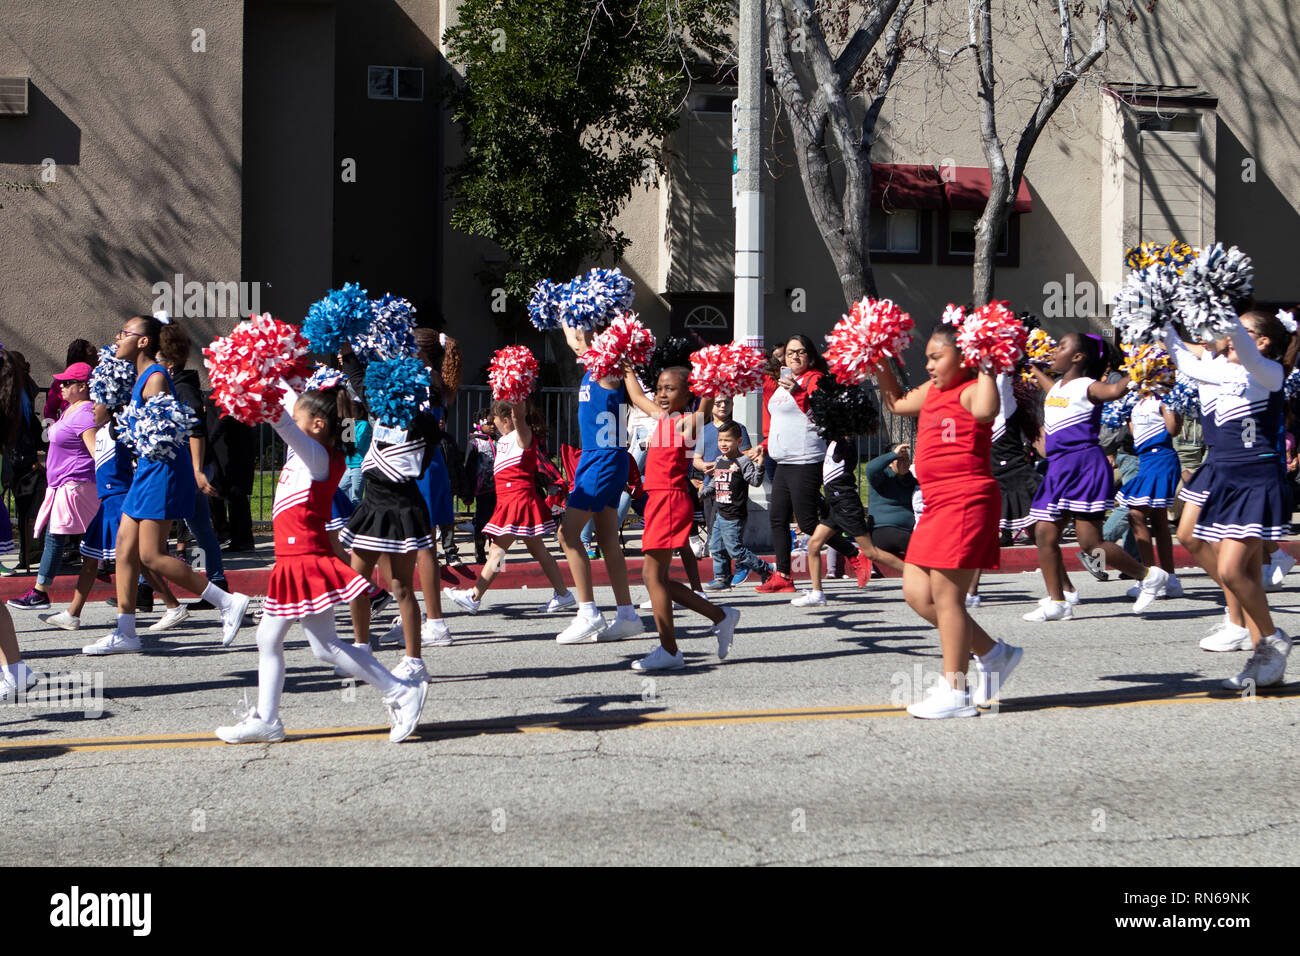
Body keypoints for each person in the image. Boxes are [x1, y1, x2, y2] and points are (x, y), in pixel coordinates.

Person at [215, 380, 429, 743]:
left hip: (306, 557)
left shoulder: (318, 457)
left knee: (320, 645)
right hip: (290, 559)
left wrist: (266, 400)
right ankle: (268, 720)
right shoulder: (305, 453)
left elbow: (283, 421)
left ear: (317, 426)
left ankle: (399, 690)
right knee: (294, 641)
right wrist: (267, 368)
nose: (290, 426)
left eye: (300, 420)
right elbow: (288, 404)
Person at [874, 323, 1022, 719]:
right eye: (927, 357)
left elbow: (988, 410)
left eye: (936, 356)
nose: (929, 364)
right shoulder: (931, 391)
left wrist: (989, 360)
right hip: (936, 502)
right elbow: (896, 403)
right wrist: (878, 359)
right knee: (917, 593)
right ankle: (993, 653)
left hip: (966, 499)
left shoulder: (974, 388)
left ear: (965, 357)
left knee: (946, 596)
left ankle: (955, 692)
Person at [81, 315, 252, 655]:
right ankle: (126, 632)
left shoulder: (156, 378)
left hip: (161, 472)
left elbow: (164, 433)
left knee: (151, 555)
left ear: (143, 341)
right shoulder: (141, 376)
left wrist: (128, 430)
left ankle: (227, 602)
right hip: (146, 471)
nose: (118, 337)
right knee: (125, 549)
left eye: (125, 332)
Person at [1167, 311, 1293, 688]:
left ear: (1262, 341)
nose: (1224, 334)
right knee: (1245, 572)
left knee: (1232, 571)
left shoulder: (1267, 371)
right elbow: (1187, 360)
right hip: (1224, 473)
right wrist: (1160, 321)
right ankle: (1262, 659)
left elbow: (1246, 357)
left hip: (1255, 478)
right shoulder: (1223, 370)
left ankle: (1273, 640)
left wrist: (1219, 307)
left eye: (1238, 329)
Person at [1022, 333, 1170, 622]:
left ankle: (1148, 575)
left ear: (1078, 357)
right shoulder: (1058, 387)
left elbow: (1115, 391)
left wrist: (1139, 368)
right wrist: (1028, 362)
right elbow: (1049, 385)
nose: (1055, 350)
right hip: (1058, 468)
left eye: (1062, 347)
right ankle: (1058, 602)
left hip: (1083, 467)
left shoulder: (1088, 386)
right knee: (1044, 532)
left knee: (1090, 544)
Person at [622, 366, 739, 671]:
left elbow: (706, 405)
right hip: (657, 500)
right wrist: (625, 364)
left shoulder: (689, 423)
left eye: (670, 389)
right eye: (659, 387)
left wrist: (713, 380)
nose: (661, 394)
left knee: (652, 577)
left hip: (671, 500)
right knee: (654, 578)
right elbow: (635, 395)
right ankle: (719, 617)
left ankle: (670, 650)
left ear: (687, 394)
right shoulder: (662, 418)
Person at [338, 342, 443, 681]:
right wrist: (347, 350)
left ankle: (415, 661)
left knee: (400, 586)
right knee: (356, 581)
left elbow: (437, 406)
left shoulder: (425, 422)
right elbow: (358, 379)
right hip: (373, 505)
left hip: (401, 507)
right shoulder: (378, 408)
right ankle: (361, 648)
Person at [553, 324, 644, 644]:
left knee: (567, 533)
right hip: (601, 459)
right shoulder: (597, 366)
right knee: (606, 537)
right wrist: (565, 311)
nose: (577, 342)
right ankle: (628, 615)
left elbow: (640, 399)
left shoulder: (611, 370)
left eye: (583, 336)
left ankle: (588, 612)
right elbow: (572, 338)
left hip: (603, 460)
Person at [753, 334, 862, 592]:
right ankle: (783, 576)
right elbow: (780, 421)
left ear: (810, 356)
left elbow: (819, 415)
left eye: (800, 352)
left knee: (808, 522)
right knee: (778, 518)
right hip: (783, 459)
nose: (794, 357)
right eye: (789, 353)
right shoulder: (782, 383)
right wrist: (765, 446)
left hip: (805, 459)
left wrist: (798, 392)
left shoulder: (815, 380)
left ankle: (855, 555)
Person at [445, 400, 575, 615]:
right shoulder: (503, 439)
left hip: (518, 500)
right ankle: (563, 594)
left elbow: (519, 418)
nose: (492, 423)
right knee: (537, 550)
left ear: (507, 419)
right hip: (507, 500)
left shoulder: (522, 435)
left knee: (498, 549)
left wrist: (516, 392)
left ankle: (474, 597)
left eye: (495, 419)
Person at [7, 362, 100, 611]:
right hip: (64, 485)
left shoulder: (84, 413)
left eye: (67, 383)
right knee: (91, 539)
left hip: (76, 485)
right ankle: (144, 583)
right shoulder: (71, 409)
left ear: (82, 386)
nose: (62, 386)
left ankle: (40, 592)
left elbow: (95, 452)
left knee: (56, 537)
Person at [158, 323, 230, 614]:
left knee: (158, 527)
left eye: (159, 360)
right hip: (188, 469)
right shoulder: (176, 385)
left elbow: (195, 429)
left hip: (189, 470)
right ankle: (217, 584)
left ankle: (143, 587)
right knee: (200, 528)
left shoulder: (183, 388)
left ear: (170, 363)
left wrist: (198, 471)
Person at [1114, 391, 1185, 598]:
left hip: (1161, 458)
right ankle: (1170, 580)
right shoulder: (1134, 400)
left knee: (1135, 515)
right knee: (1159, 520)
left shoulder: (1163, 398)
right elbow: (1135, 434)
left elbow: (1172, 429)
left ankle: (1149, 579)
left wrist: (1168, 403)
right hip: (1145, 460)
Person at [693, 396, 753, 588]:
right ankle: (722, 576)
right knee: (715, 534)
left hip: (732, 489)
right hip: (712, 487)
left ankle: (743, 566)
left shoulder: (738, 428)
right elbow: (696, 459)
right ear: (711, 406)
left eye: (727, 402)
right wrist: (704, 467)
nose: (723, 406)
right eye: (718, 403)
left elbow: (747, 455)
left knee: (732, 535)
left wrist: (730, 464)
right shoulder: (705, 430)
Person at [704, 420, 772, 590]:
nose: (723, 444)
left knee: (735, 549)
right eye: (720, 440)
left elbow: (755, 481)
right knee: (715, 546)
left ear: (739, 441)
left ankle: (766, 570)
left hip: (734, 514)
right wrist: (704, 491)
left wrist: (761, 465)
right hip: (720, 511)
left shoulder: (743, 461)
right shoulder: (719, 460)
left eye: (728, 440)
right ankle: (722, 578)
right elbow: (715, 481)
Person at [865, 443, 917, 568]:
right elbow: (870, 468)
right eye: (899, 459)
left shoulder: (911, 481)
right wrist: (893, 454)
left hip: (908, 529)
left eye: (906, 459)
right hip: (882, 531)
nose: (904, 463)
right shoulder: (881, 478)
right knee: (908, 540)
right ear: (889, 462)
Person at [464, 408, 497, 564]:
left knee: (497, 522)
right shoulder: (474, 442)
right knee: (482, 521)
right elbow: (468, 467)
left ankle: (497, 556)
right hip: (483, 489)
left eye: (493, 423)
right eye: (488, 423)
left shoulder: (498, 440)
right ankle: (479, 552)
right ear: (478, 424)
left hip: (498, 489)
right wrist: (468, 491)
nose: (492, 426)